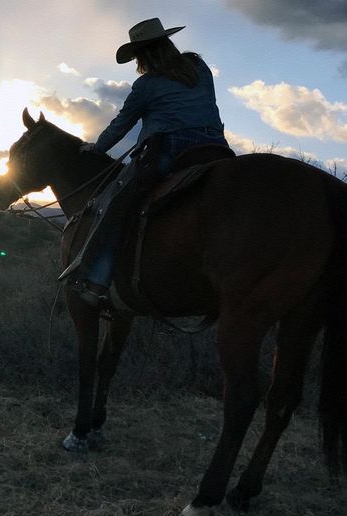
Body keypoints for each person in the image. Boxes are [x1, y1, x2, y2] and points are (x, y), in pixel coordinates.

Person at [61, 17, 231, 307]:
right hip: (215, 146)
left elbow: (121, 125)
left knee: (117, 203)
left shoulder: (146, 85)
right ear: (167, 42)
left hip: (170, 148)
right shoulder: (199, 68)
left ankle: (96, 281)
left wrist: (97, 147)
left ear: (141, 55)